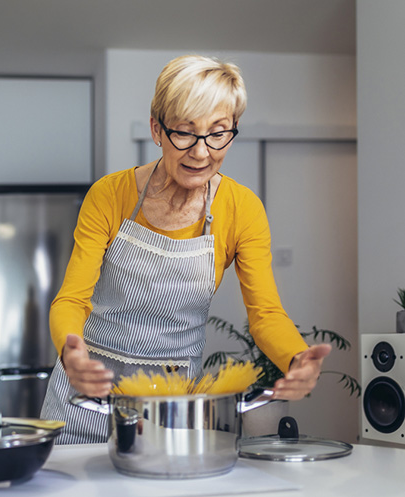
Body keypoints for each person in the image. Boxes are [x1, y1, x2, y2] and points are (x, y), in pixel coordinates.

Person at [40, 54, 331, 444]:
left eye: (218, 132)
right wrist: (71, 354)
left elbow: (265, 315)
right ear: (156, 129)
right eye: (184, 131)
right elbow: (70, 300)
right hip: (88, 394)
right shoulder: (110, 195)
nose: (201, 152)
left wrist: (296, 359)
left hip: (170, 406)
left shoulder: (242, 209)